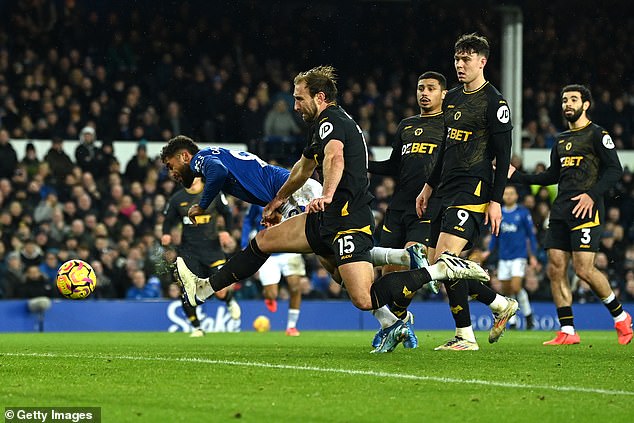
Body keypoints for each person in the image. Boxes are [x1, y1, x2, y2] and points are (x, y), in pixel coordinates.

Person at [168, 66, 489, 353]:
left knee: (363, 298)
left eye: (299, 99)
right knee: (265, 242)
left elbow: (335, 157)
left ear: (319, 97)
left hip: (348, 218)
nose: (295, 106)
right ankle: (204, 288)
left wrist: (328, 194)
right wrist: (277, 201)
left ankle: (438, 271)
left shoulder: (332, 121)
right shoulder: (320, 126)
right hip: (326, 219)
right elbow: (302, 169)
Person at [371, 33, 519, 351]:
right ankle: (494, 310)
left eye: (466, 59)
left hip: (474, 188)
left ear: (482, 61)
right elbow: (446, 149)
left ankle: (467, 333)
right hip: (445, 190)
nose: (460, 64)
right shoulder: (451, 98)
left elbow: (504, 154)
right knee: (443, 264)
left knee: (446, 261)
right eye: (457, 58)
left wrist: (495, 200)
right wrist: (428, 186)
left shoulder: (495, 103)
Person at [509, 84, 632, 345]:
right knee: (555, 269)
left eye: (573, 100)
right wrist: (517, 176)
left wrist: (592, 194)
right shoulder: (561, 140)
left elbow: (614, 170)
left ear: (586, 104)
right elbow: (551, 175)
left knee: (584, 269)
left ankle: (621, 317)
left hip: (586, 209)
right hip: (561, 210)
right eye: (564, 100)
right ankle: (567, 330)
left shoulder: (598, 134)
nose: (567, 104)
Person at [367, 71, 447, 349]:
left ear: (443, 94)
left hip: (427, 207)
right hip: (398, 206)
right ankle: (395, 323)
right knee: (387, 275)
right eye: (420, 88)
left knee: (412, 263)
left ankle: (396, 322)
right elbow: (392, 166)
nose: (424, 93)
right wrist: (363, 164)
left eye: (431, 88)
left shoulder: (450, 125)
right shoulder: (406, 125)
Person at [162, 176, 241, 337]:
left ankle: (229, 299)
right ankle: (197, 327)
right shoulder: (177, 198)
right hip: (189, 251)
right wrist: (166, 234)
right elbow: (168, 220)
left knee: (220, 289)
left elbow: (227, 214)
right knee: (186, 290)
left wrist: (226, 231)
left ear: (198, 176)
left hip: (212, 249)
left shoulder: (213, 193)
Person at [242, 204, 306, 336]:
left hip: (290, 248)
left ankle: (291, 326)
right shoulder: (259, 198)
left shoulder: (292, 195)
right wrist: (244, 243)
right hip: (268, 251)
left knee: (295, 287)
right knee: (272, 294)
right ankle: (269, 297)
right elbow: (248, 219)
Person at [482, 185, 539, 329]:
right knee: (507, 290)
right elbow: (495, 235)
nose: (508, 196)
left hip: (519, 256)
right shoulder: (499, 213)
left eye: (511, 193)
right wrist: (488, 251)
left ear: (516, 196)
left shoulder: (523, 213)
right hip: (504, 257)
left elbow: (531, 236)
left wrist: (533, 256)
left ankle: (528, 315)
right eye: (506, 193)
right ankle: (513, 322)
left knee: (516, 286)